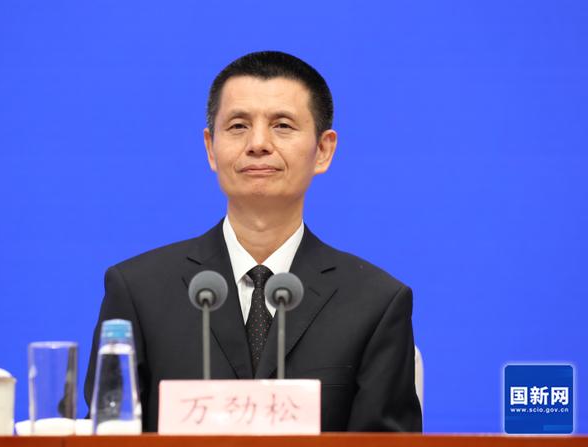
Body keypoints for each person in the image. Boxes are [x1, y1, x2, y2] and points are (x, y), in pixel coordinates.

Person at [84, 51, 422, 432]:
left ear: (323, 150)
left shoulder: (376, 303)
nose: (258, 143)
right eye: (238, 126)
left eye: (282, 125)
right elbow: (107, 435)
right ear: (211, 148)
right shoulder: (138, 291)